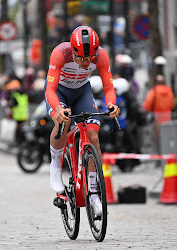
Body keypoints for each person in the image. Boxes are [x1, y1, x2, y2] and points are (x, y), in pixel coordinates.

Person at [44, 26, 120, 216]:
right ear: (73, 51)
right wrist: (59, 109)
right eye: (81, 58)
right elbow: (50, 90)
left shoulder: (101, 56)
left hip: (81, 92)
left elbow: (109, 87)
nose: (86, 62)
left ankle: (94, 194)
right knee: (64, 122)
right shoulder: (60, 53)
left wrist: (111, 105)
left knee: (93, 135)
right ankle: (55, 166)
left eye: (89, 58)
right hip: (59, 92)